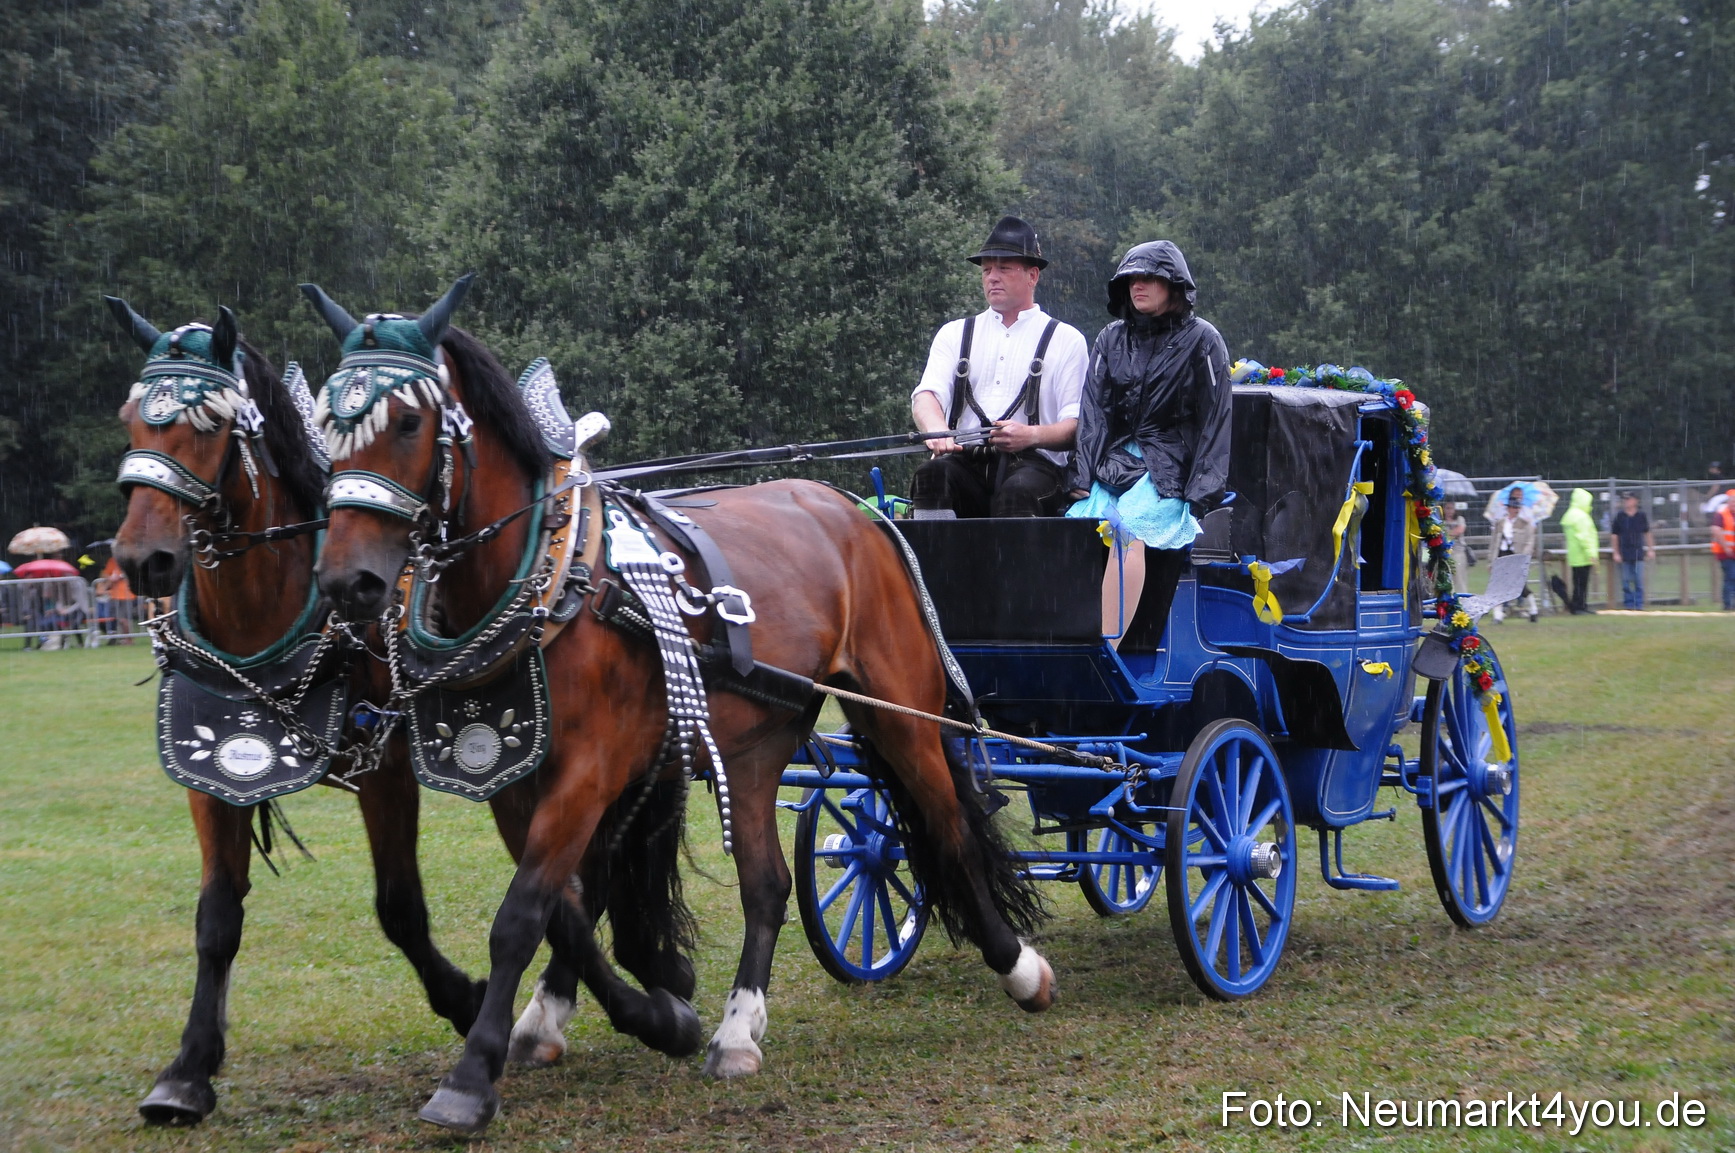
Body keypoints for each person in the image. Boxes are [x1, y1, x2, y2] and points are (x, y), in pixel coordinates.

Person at [1065, 240, 1231, 648]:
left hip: (1171, 467)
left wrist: (1201, 493)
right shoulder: (1111, 338)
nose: (1137, 285)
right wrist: (1081, 479)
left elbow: (1216, 420)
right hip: (1115, 463)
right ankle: (1064, 644)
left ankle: (1104, 650)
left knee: (1128, 530)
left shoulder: (1203, 339)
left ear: (1174, 285)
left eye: (1148, 278)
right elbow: (1094, 413)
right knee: (1075, 528)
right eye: (1131, 278)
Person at [910, 216, 1089, 518]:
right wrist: (936, 431)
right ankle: (931, 551)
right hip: (963, 461)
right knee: (931, 476)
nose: (992, 277)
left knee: (1017, 493)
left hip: (1036, 467)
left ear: (1033, 275)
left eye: (1004, 268)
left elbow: (1075, 426)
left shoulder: (1067, 339)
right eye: (987, 270)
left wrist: (1030, 435)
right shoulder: (954, 333)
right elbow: (926, 396)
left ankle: (1011, 553)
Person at [1492, 488, 1539, 623]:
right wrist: (1491, 560)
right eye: (1513, 507)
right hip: (1502, 554)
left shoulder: (1524, 524)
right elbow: (1494, 542)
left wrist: (1523, 556)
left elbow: (1530, 541)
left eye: (1517, 507)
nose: (1515, 510)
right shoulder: (1500, 523)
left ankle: (1533, 609)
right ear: (1508, 508)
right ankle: (1498, 615)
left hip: (1516, 555)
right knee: (1498, 585)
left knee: (1520, 586)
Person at [1609, 492, 1654, 610]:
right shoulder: (1620, 516)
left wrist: (1650, 549)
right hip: (1624, 553)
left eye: (1629, 499)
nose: (1626, 502)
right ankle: (1628, 604)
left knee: (1639, 580)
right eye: (1625, 500)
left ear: (1635, 501)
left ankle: (1638, 604)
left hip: (1638, 553)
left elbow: (1647, 533)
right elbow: (1614, 535)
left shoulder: (1641, 516)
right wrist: (1616, 552)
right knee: (1626, 580)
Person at [1560, 487, 1599, 614]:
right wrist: (1591, 554)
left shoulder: (1570, 515)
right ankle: (1579, 607)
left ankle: (1579, 606)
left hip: (1574, 555)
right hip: (1583, 556)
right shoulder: (1581, 517)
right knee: (1582, 583)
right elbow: (1584, 537)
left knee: (1577, 582)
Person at [1712, 487, 1735, 610]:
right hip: (1726, 553)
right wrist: (1726, 547)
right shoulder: (1721, 514)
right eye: (1732, 501)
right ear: (1728, 502)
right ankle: (1727, 604)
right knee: (1731, 577)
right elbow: (1716, 530)